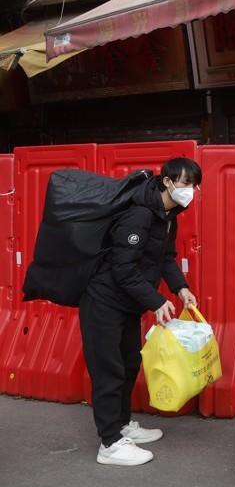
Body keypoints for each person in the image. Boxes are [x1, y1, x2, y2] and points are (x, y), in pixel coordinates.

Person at [79, 157, 202, 466]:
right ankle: (109, 443)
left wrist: (180, 288)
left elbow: (166, 257)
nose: (191, 191)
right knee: (108, 371)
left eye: (194, 185)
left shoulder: (168, 215)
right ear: (167, 182)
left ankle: (121, 426)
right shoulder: (139, 215)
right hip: (104, 301)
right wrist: (156, 301)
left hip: (127, 303)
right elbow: (123, 268)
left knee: (129, 363)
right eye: (186, 184)